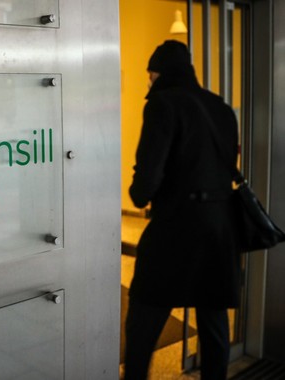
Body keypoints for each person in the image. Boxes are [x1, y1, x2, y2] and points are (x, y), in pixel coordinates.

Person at [123, 40, 241, 380]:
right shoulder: (219, 106)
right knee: (213, 317)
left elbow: (148, 176)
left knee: (145, 312)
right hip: (220, 227)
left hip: (176, 227)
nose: (149, 81)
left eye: (150, 74)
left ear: (159, 73)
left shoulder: (162, 104)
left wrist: (138, 193)